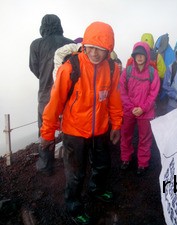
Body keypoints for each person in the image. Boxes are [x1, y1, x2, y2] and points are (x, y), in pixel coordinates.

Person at [39, 21, 123, 224]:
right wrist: (47, 134)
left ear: (109, 50)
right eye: (91, 48)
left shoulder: (111, 68)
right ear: (84, 46)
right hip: (74, 131)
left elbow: (113, 97)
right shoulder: (71, 68)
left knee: (102, 165)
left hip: (100, 129)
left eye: (101, 50)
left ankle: (97, 189)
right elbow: (55, 102)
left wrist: (117, 124)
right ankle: (74, 206)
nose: (94, 54)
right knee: (76, 174)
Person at [29, 14, 74, 176]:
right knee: (69, 128)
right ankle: (71, 162)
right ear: (59, 25)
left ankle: (46, 165)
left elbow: (35, 68)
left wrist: (46, 78)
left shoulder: (36, 45)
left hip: (45, 95)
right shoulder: (70, 43)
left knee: (44, 129)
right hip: (68, 95)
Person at [119, 41, 160, 176]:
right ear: (134, 56)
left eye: (142, 54)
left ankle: (142, 163)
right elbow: (122, 90)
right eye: (137, 54)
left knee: (145, 138)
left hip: (146, 112)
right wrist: (131, 107)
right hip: (129, 110)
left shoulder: (152, 73)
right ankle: (126, 159)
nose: (139, 57)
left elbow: (153, 93)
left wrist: (142, 108)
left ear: (147, 55)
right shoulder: (128, 71)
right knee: (126, 136)